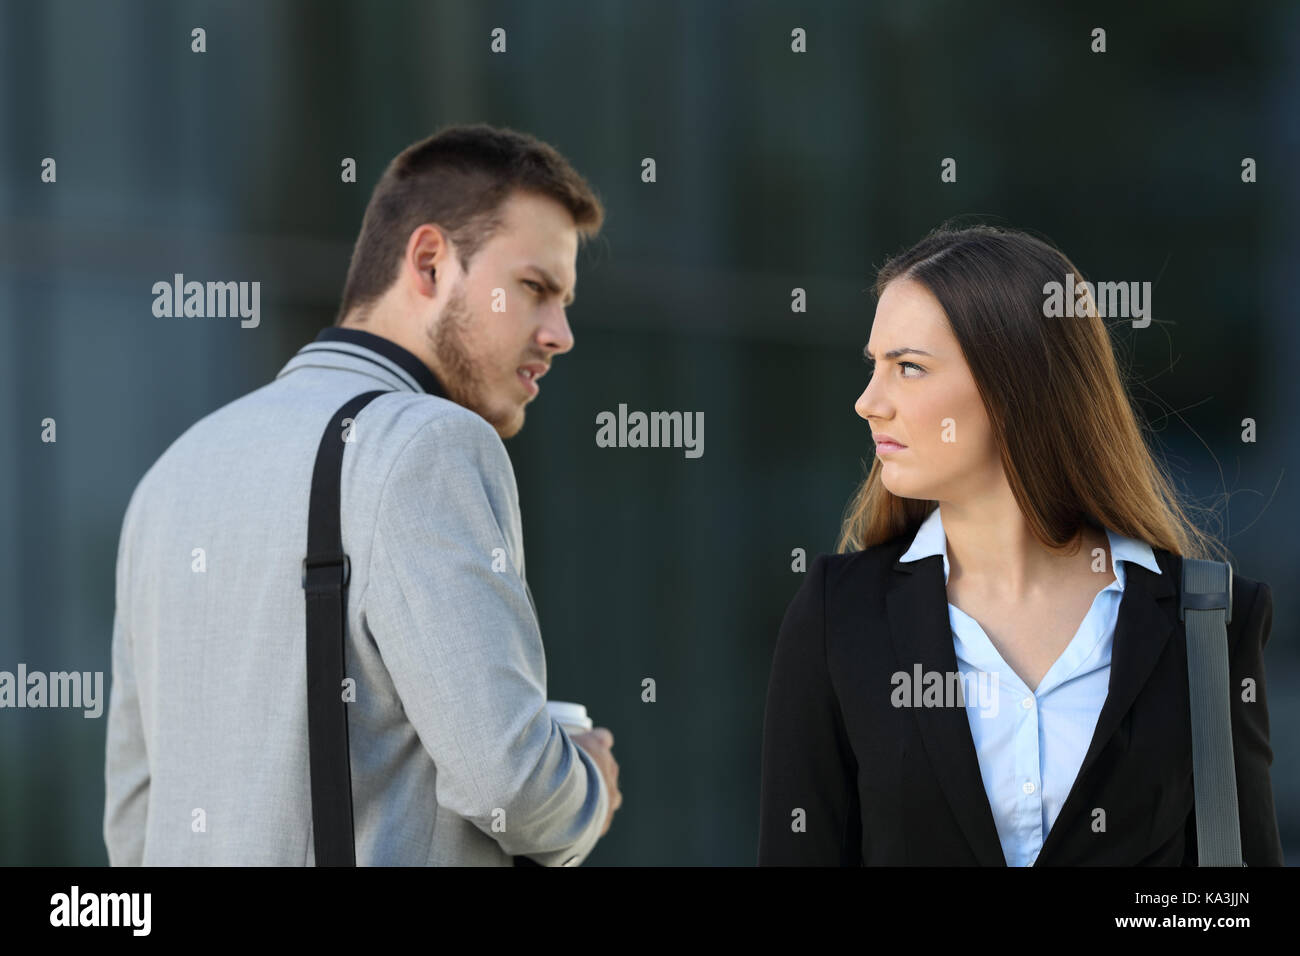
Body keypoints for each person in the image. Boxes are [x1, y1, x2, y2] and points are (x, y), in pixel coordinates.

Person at [104, 123, 622, 865]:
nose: (561, 333)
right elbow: (510, 784)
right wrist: (588, 787)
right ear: (430, 261)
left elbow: (134, 822)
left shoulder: (173, 474)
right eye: (535, 290)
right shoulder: (428, 443)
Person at [757, 223, 1282, 866]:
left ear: (1015, 385)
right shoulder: (839, 615)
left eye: (909, 368)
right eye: (875, 366)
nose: (869, 402)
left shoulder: (1207, 623)